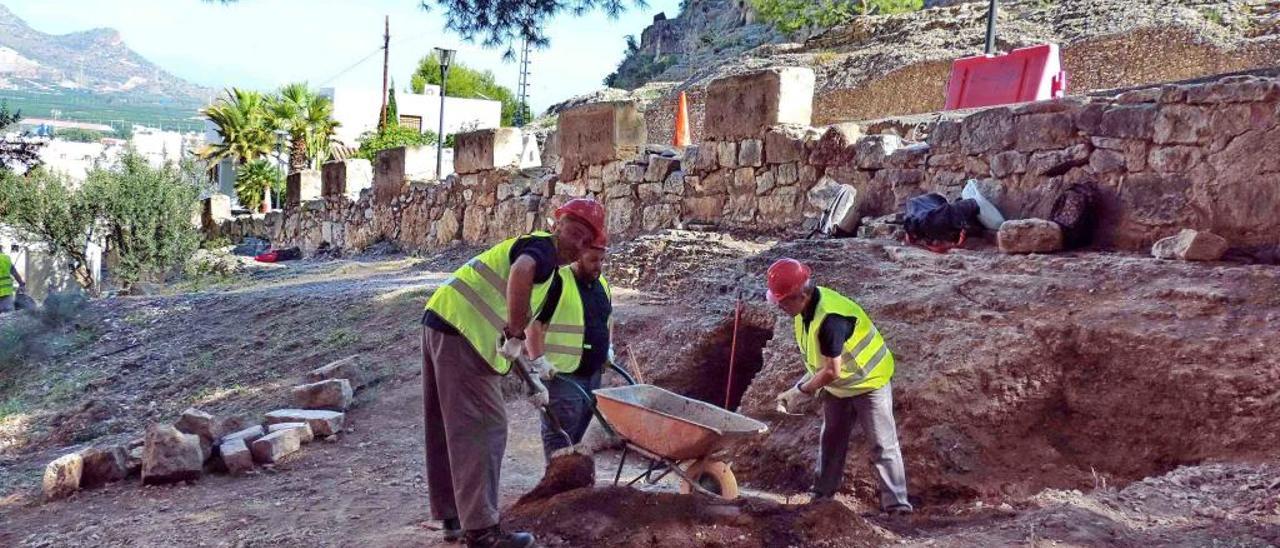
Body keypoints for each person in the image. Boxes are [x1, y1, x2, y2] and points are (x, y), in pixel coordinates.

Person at [420, 198, 605, 548]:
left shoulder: (548, 269)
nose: (576, 243)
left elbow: (509, 328)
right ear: (558, 225)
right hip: (462, 333)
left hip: (443, 321)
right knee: (486, 426)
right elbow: (521, 274)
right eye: (574, 232)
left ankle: (454, 517)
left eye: (585, 240)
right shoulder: (543, 250)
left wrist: (531, 376)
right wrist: (518, 334)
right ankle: (482, 531)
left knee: (450, 426)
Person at [767, 258, 913, 515]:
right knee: (831, 440)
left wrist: (800, 391)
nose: (779, 306)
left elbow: (832, 371)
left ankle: (898, 507)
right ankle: (822, 496)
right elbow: (821, 364)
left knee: (882, 444)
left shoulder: (831, 320)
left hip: (869, 381)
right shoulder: (805, 311)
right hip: (841, 386)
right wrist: (799, 384)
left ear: (800, 296)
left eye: (782, 301)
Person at [524, 242, 613, 460]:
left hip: (592, 376)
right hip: (562, 376)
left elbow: (608, 319)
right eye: (593, 260)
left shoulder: (601, 283)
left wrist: (608, 347)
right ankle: (556, 487)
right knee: (560, 439)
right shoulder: (558, 282)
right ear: (578, 256)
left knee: (577, 437)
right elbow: (532, 323)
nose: (598, 266)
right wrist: (538, 360)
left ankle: (570, 487)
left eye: (602, 260)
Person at [0, 245, 27, 314]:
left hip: (6, 294)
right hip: (7, 294)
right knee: (8, 317)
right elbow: (14, 272)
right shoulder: (6, 258)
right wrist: (21, 284)